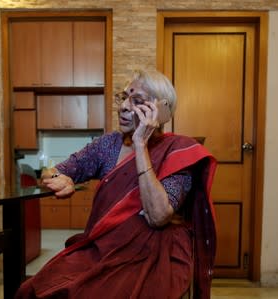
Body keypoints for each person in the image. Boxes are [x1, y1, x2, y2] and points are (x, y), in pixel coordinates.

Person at [15, 69, 217, 299]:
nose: (123, 106)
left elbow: (158, 216)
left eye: (137, 101)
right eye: (123, 98)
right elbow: (57, 170)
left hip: (152, 252)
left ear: (161, 110)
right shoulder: (108, 145)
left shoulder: (178, 151)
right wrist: (57, 178)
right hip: (104, 248)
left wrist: (140, 144)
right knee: (32, 290)